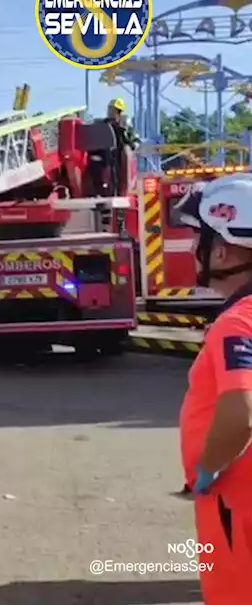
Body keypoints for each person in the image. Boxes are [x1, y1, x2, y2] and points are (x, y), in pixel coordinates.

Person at [172, 177, 252, 603]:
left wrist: (209, 469)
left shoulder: (238, 323)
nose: (192, 250)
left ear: (221, 249)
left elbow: (242, 413)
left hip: (238, 505)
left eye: (198, 239)